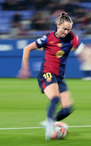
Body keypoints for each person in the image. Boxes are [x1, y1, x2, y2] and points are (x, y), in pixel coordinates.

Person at [17, 11, 83, 140]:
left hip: (59, 77)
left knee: (68, 108)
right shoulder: (47, 38)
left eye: (68, 30)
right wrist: (25, 68)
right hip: (46, 74)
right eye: (64, 29)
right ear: (58, 25)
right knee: (55, 98)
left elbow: (80, 47)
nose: (66, 32)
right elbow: (27, 49)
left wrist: (85, 54)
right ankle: (50, 129)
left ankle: (49, 121)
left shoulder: (71, 37)